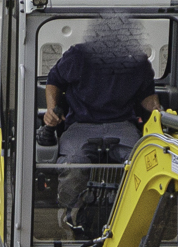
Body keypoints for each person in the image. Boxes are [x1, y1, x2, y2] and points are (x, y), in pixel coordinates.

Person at [44, 19, 161, 232]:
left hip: (122, 124)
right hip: (82, 124)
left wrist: (158, 112)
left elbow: (147, 97)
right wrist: (51, 110)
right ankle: (70, 214)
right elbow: (54, 81)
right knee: (73, 164)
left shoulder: (138, 62)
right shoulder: (78, 55)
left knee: (140, 164)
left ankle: (133, 219)